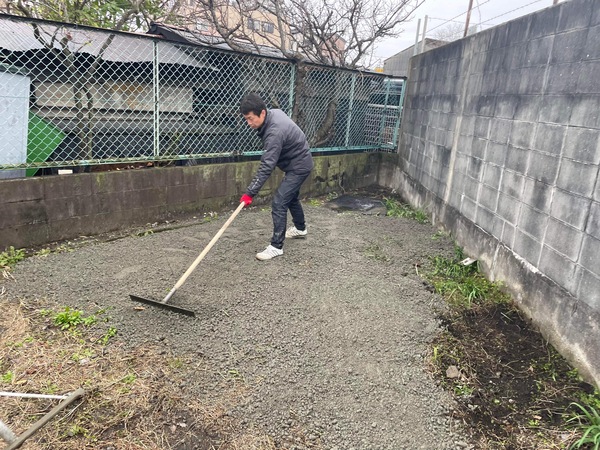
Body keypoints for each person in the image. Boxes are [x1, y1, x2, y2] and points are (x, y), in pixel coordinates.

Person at [239, 93, 314, 261]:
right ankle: (301, 229)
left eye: (251, 118)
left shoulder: (274, 132)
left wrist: (250, 193)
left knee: (279, 201)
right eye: (246, 119)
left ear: (263, 113)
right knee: (290, 197)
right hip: (298, 161)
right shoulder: (274, 114)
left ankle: (276, 246)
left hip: (299, 166)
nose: (249, 123)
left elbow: (267, 165)